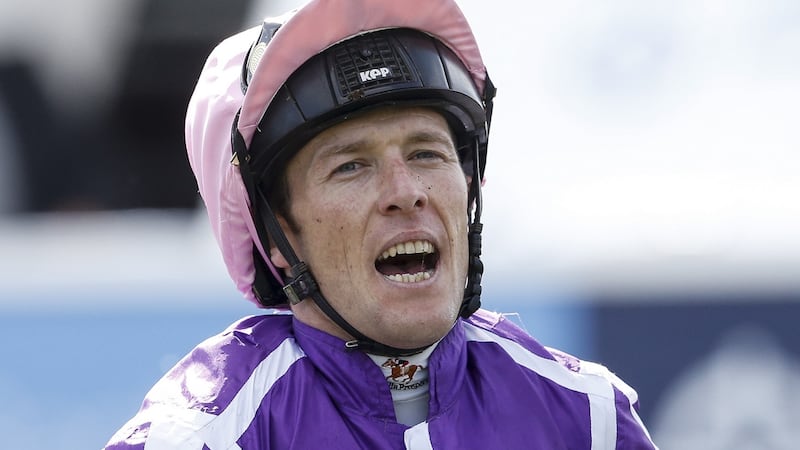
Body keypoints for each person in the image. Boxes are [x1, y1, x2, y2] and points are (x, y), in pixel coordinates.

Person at [105, 0, 658, 448]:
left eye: (427, 154)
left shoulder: (589, 422)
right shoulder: (200, 436)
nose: (406, 193)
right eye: (352, 166)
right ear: (277, 236)